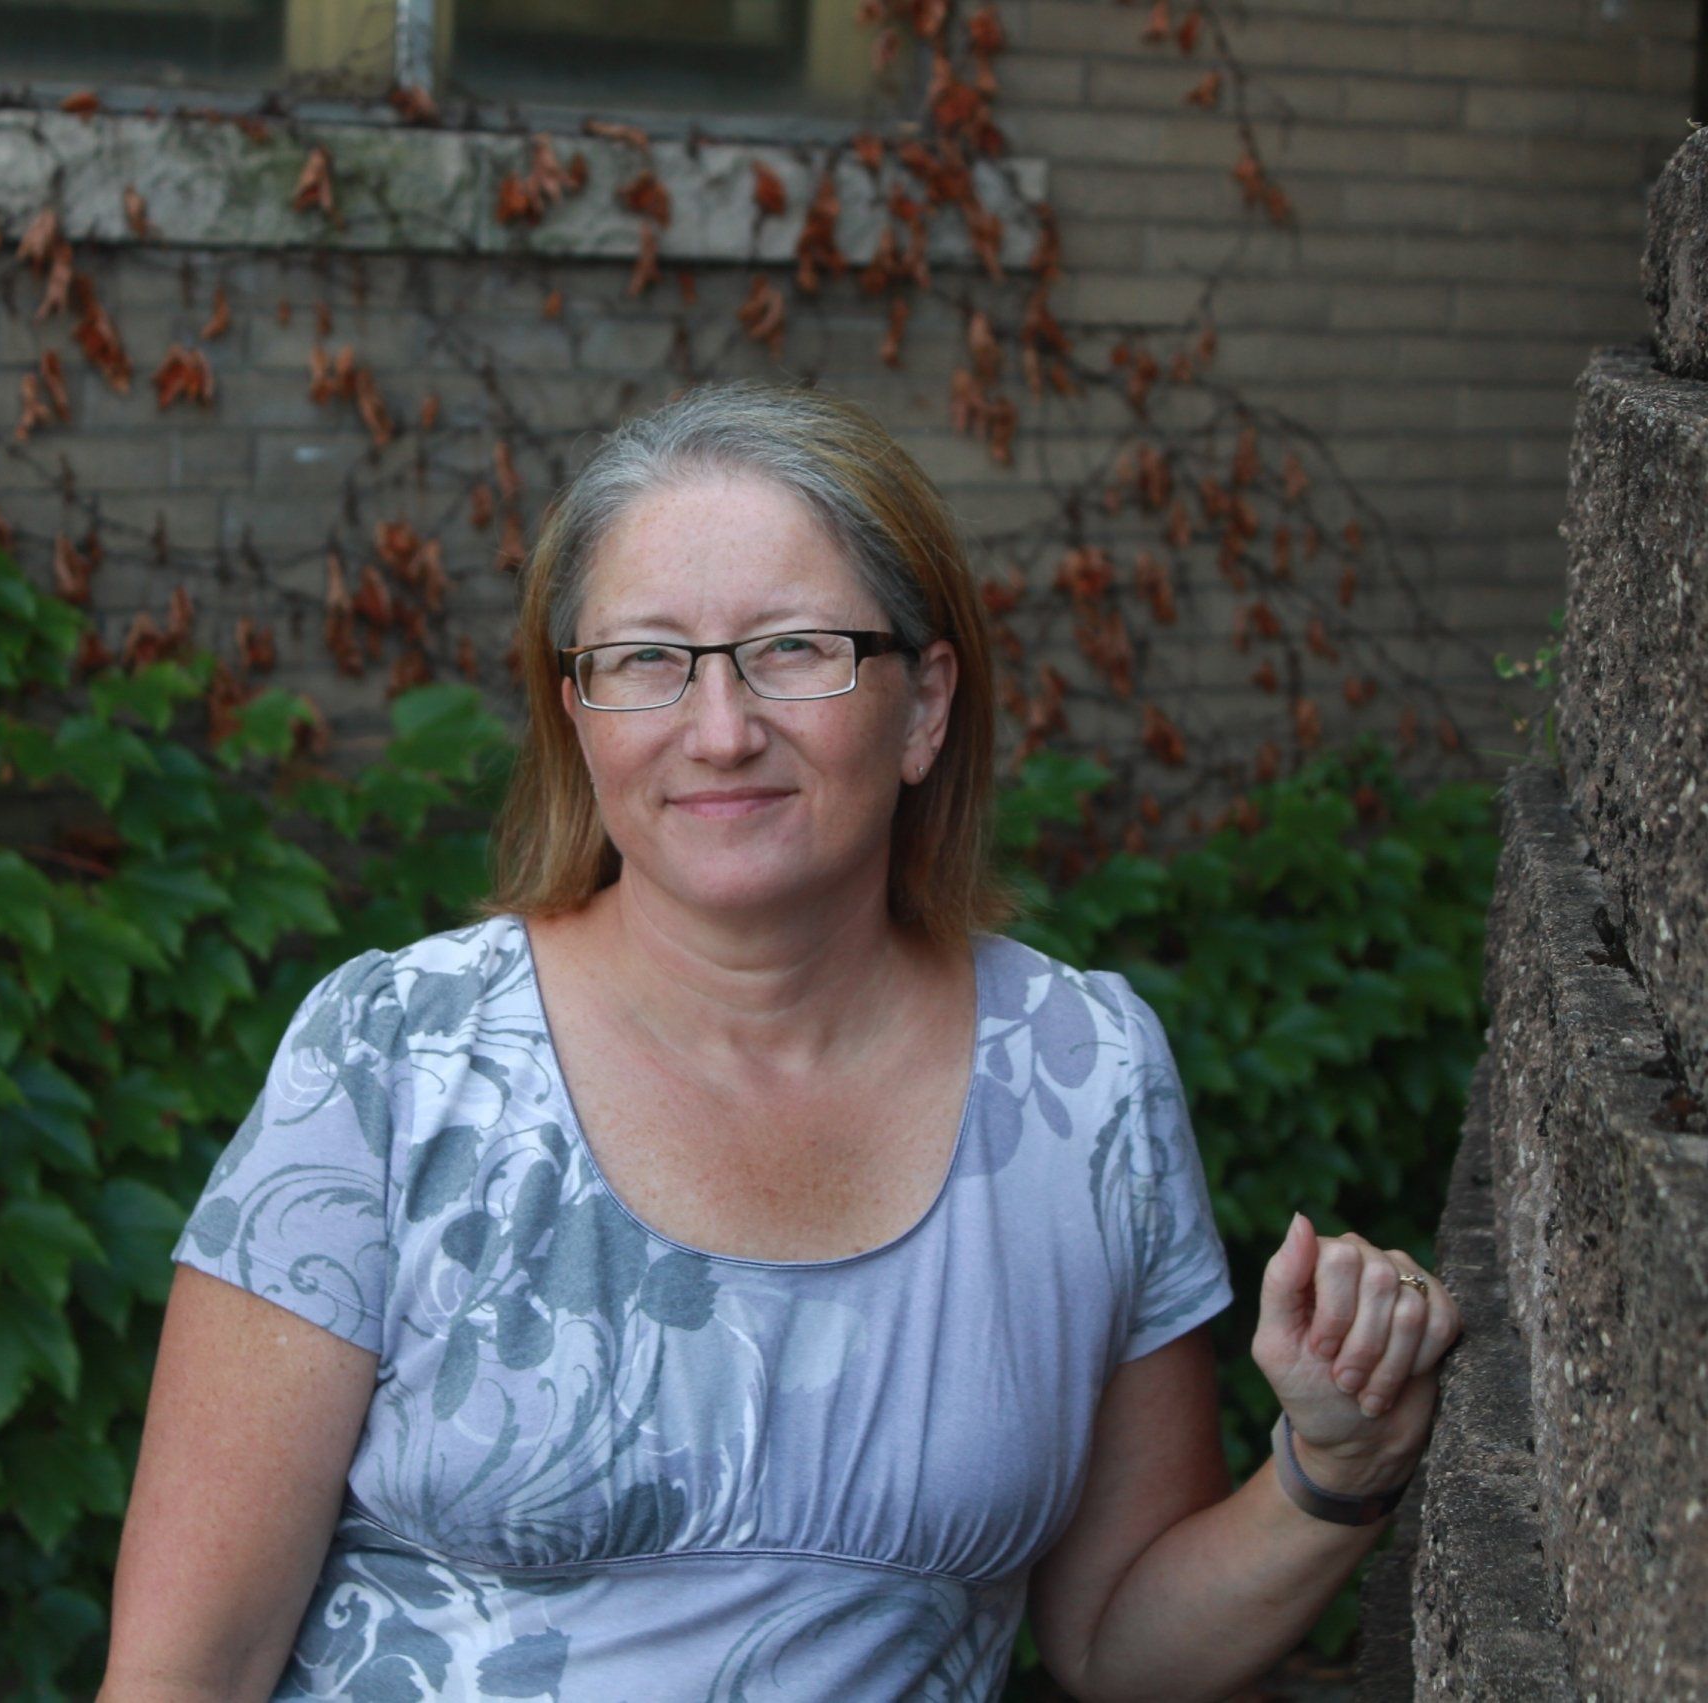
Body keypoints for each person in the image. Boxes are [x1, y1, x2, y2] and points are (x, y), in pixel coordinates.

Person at [99, 380, 1461, 1703]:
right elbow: (184, 1670)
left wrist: (1330, 1473)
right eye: (646, 660)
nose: (720, 727)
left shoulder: (1084, 1078)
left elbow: (1117, 1644)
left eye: (794, 649)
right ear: (575, 713)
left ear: (925, 705)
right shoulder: (396, 1057)